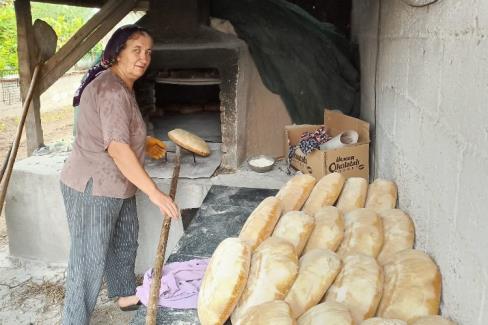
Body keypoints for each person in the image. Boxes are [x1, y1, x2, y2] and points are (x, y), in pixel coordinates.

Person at [60, 24, 179, 325]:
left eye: (148, 52)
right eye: (136, 50)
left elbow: (119, 134)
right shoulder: (111, 89)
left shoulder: (123, 85)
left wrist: (143, 141)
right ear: (116, 53)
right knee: (88, 259)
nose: (144, 58)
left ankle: (124, 294)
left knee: (125, 239)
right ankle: (74, 319)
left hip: (121, 182)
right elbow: (116, 148)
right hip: (94, 185)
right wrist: (155, 192)